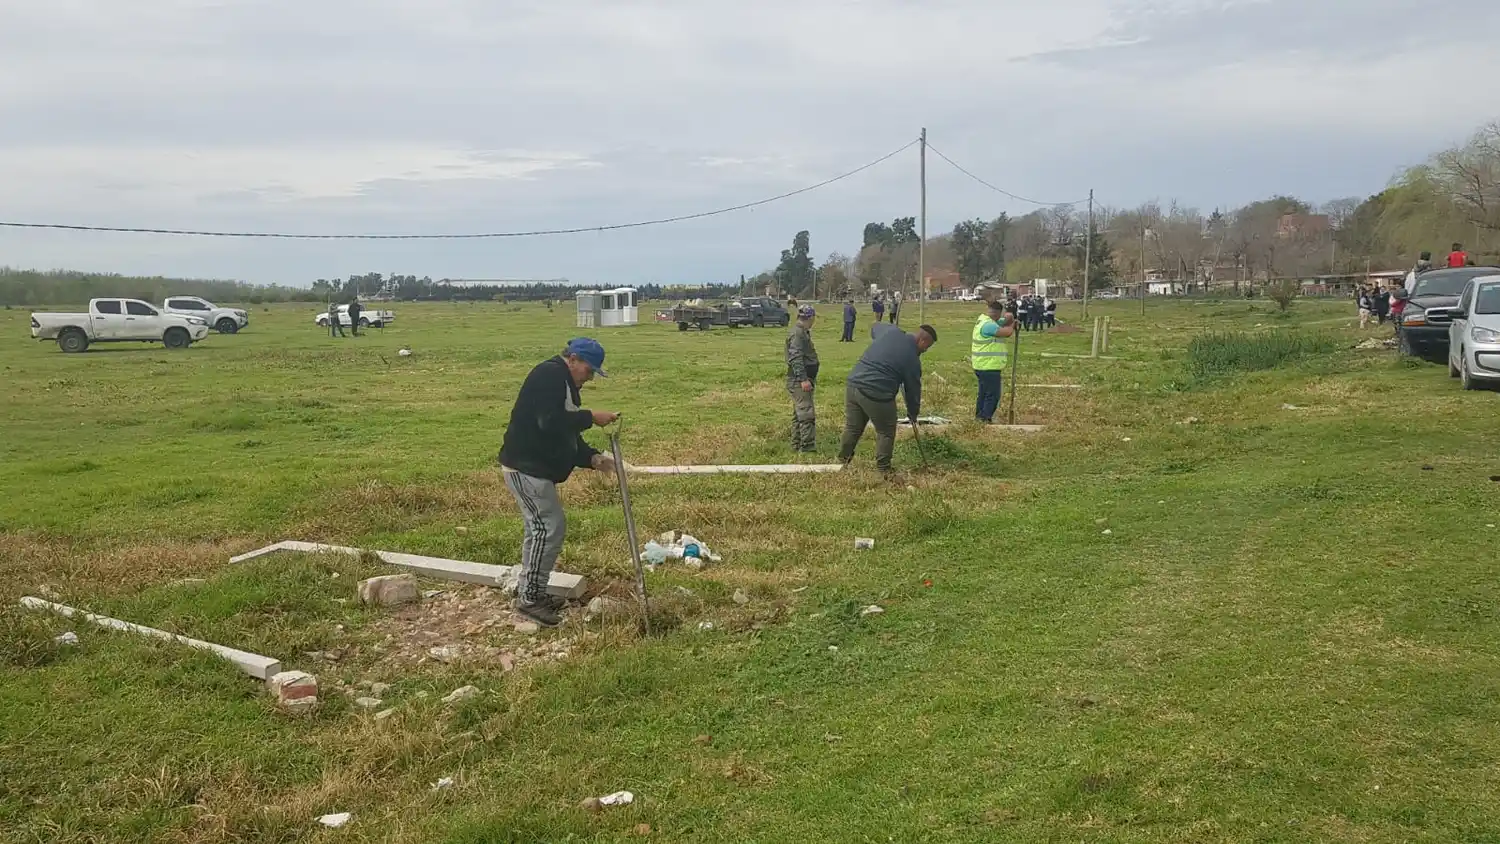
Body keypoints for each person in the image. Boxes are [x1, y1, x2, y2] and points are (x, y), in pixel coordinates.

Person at [498, 338, 619, 627]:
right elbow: (550, 422)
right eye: (589, 371)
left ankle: (533, 592)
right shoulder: (549, 375)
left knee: (541, 530)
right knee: (548, 529)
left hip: (533, 469)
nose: (589, 378)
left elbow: (563, 434)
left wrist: (591, 458)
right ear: (574, 359)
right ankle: (529, 601)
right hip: (526, 469)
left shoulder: (563, 383)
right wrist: (591, 417)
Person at [838, 322, 938, 473]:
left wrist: (890, 333)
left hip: (853, 384)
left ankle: (842, 461)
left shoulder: (891, 332)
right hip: (876, 392)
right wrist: (913, 413)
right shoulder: (912, 360)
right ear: (922, 341)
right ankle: (884, 471)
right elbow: (913, 391)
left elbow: (874, 327)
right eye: (927, 347)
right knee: (886, 431)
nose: (925, 350)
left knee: (853, 428)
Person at [972, 299, 1013, 424]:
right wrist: (1012, 325)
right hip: (989, 366)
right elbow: (1007, 332)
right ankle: (985, 418)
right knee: (992, 395)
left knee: (983, 393)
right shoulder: (989, 325)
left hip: (981, 365)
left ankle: (979, 417)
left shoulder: (986, 321)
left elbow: (1003, 321)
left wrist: (1009, 317)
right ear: (997, 313)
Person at [786, 306, 820, 452]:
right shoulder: (798, 334)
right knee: (806, 414)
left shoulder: (801, 332)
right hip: (799, 380)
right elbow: (796, 357)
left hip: (802, 378)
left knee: (799, 414)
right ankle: (807, 448)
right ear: (811, 317)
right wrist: (803, 379)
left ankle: (796, 445)